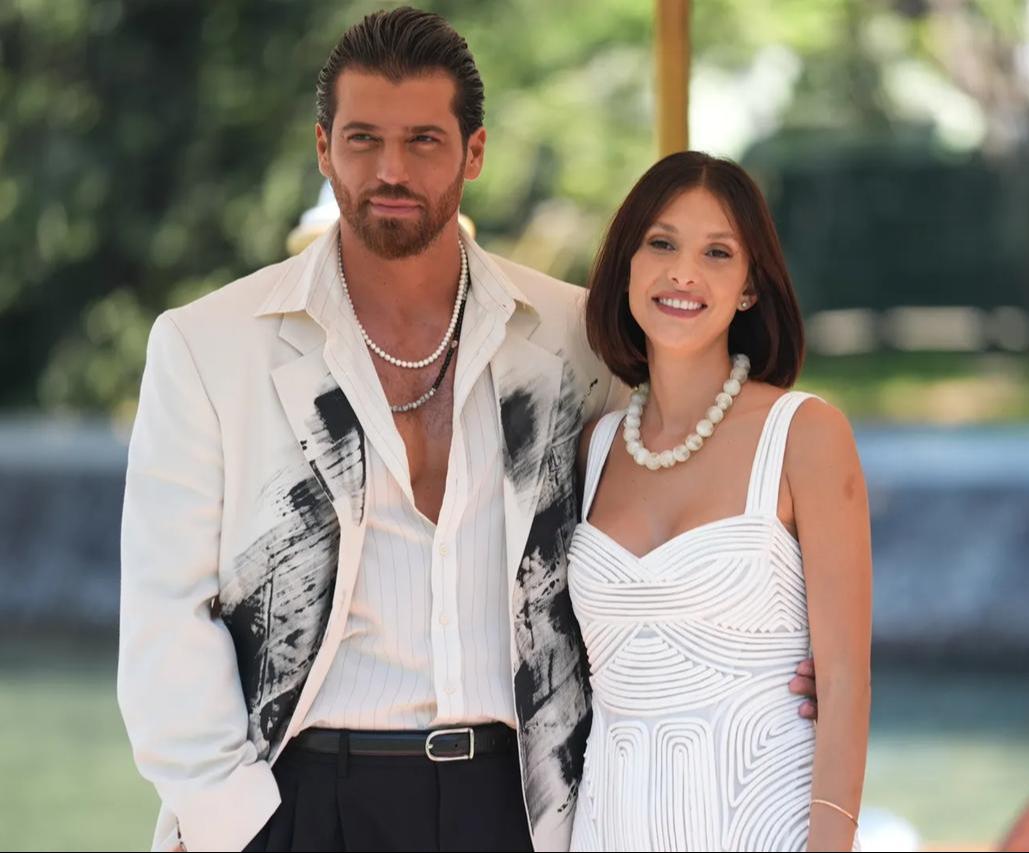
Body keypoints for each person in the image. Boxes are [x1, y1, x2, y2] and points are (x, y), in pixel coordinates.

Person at [117, 8, 819, 852]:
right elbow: (165, 617)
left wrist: (772, 652)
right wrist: (234, 820)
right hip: (298, 799)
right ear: (322, 147)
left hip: (516, 804)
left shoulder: (571, 336)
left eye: (423, 140)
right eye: (363, 138)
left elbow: (673, 479)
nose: (389, 169)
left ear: (473, 153)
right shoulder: (208, 345)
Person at [568, 151, 872, 852]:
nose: (684, 272)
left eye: (717, 252)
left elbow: (847, 685)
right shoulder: (595, 447)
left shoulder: (806, 435)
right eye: (662, 243)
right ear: (627, 267)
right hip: (608, 826)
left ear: (748, 287)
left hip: (761, 825)